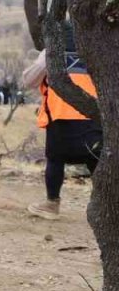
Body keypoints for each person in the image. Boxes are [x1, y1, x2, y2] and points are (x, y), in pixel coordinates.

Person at [22, 24, 102, 220]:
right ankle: (110, 206)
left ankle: (51, 204)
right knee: (97, 163)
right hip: (94, 118)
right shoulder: (98, 50)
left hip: (61, 117)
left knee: (56, 160)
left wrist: (46, 58)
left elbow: (29, 81)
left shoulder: (52, 52)